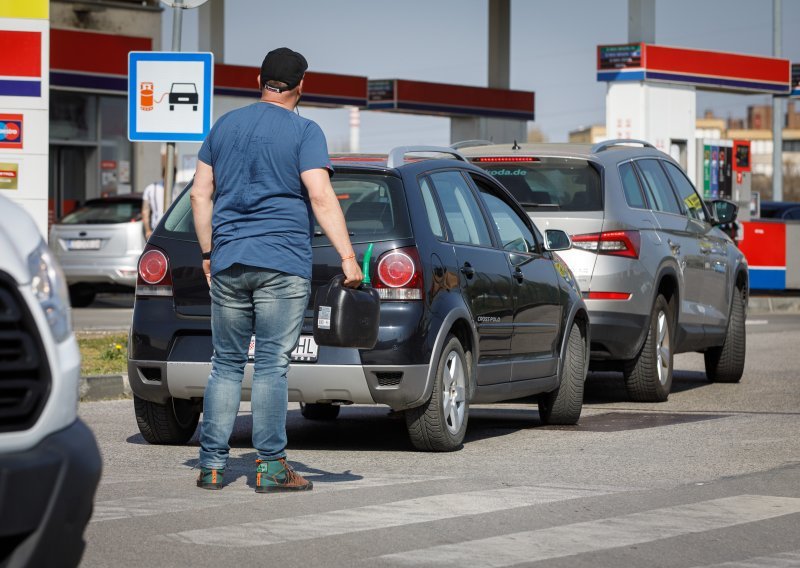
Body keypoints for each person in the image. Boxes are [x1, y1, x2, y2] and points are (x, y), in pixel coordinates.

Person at [190, 47, 363, 493]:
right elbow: (321, 197)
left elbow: (199, 194)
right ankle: (270, 467)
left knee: (225, 364)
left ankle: (211, 466)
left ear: (260, 81)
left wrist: (209, 252)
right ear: (301, 84)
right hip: (282, 262)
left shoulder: (224, 125)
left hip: (228, 259)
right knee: (270, 366)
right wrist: (347, 257)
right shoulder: (305, 130)